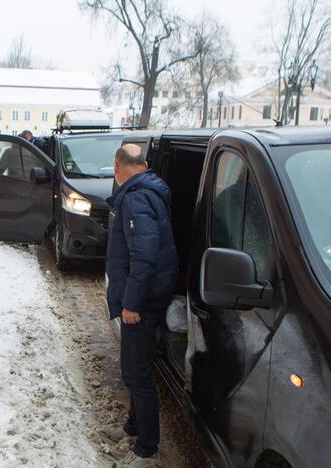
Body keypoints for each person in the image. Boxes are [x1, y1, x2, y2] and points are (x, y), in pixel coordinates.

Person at [105, 144, 179, 466]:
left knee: (138, 375)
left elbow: (145, 257)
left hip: (142, 303)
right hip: (149, 297)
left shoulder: (135, 198)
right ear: (144, 164)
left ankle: (147, 448)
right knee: (135, 370)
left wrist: (131, 303)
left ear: (118, 166)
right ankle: (134, 426)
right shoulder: (151, 192)